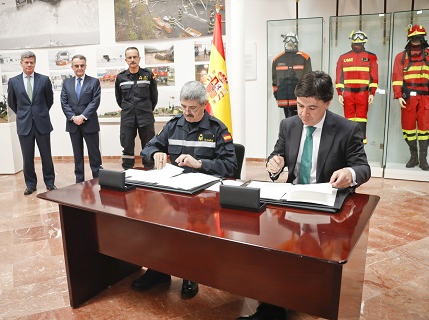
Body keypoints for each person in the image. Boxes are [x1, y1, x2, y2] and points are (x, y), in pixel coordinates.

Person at [239, 71, 371, 320]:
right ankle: (271, 308)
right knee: (265, 242)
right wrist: (274, 164)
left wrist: (349, 172)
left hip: (326, 203)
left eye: (312, 107)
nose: (304, 114)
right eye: (300, 105)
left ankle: (308, 300)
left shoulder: (346, 129)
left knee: (319, 258)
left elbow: (363, 168)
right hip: (292, 198)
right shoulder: (288, 125)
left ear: (327, 103)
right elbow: (276, 154)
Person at [133, 81, 237, 299]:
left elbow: (230, 166)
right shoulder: (173, 125)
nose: (187, 113)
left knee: (193, 227)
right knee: (155, 222)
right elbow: (148, 148)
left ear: (204, 105)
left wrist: (201, 164)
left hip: (204, 196)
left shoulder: (218, 129)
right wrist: (154, 155)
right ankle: (159, 270)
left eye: (192, 108)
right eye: (183, 107)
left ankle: (191, 274)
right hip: (174, 192)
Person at [7, 51, 56, 195]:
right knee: (27, 157)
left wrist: (39, 112)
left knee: (46, 155)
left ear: (34, 63)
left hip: (42, 123)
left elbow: (49, 101)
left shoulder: (44, 80)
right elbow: (12, 103)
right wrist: (24, 114)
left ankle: (50, 183)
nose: (29, 65)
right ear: (21, 63)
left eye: (31, 62)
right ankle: (30, 184)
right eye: (26, 62)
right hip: (24, 124)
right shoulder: (13, 81)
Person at [392, 24, 429, 170]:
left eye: (418, 39)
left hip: (426, 98)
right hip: (408, 99)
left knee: (425, 129)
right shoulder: (401, 56)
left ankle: (423, 159)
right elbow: (397, 78)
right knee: (408, 128)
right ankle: (414, 156)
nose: (416, 42)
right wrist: (398, 95)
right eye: (414, 39)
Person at [61, 54, 102, 183]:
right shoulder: (66, 83)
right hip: (73, 125)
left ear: (85, 66)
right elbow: (64, 102)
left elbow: (95, 102)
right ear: (72, 67)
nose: (79, 68)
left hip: (89, 123)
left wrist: (83, 117)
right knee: (77, 155)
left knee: (94, 155)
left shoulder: (94, 81)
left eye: (82, 65)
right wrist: (73, 117)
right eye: (77, 66)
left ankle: (98, 180)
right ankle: (79, 181)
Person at [115, 47, 158, 170]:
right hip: (127, 118)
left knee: (149, 145)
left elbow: (154, 97)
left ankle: (149, 170)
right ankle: (128, 172)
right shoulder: (120, 77)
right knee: (127, 145)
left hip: (146, 117)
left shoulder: (148, 75)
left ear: (139, 58)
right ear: (126, 59)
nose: (132, 60)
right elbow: (119, 98)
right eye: (129, 57)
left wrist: (147, 109)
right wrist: (128, 108)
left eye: (135, 57)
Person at [335, 30, 379, 144]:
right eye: (355, 43)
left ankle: (360, 144)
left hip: (363, 93)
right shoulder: (343, 58)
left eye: (360, 43)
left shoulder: (371, 57)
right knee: (348, 119)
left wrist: (372, 93)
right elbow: (339, 77)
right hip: (348, 94)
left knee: (362, 119)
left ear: (364, 43)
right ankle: (348, 143)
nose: (357, 45)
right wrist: (340, 93)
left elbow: (374, 77)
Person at [272, 32, 312, 118]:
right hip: (284, 98)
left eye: (292, 41)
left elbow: (309, 78)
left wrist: (307, 94)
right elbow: (274, 80)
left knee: (300, 122)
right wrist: (276, 94)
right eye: (288, 41)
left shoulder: (304, 58)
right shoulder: (277, 59)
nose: (290, 43)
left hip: (299, 98)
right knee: (288, 123)